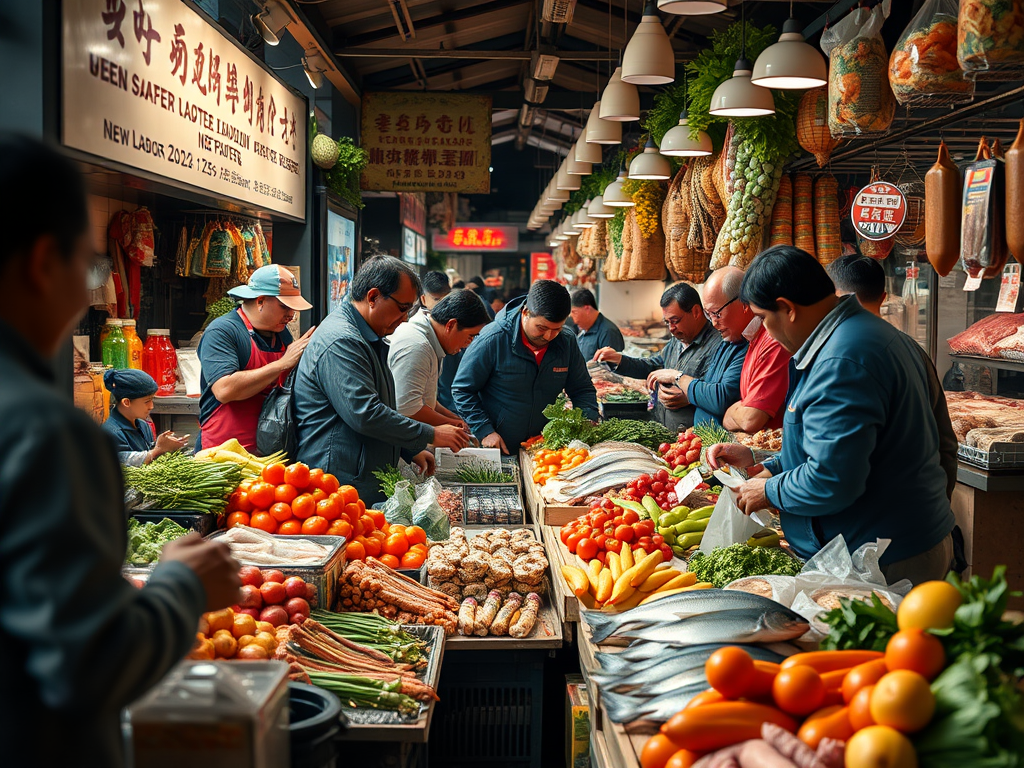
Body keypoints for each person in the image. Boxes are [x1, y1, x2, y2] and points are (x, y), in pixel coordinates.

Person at [0, 134, 240, 767]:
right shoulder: (42, 432)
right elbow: (89, 664)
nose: (87, 295)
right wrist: (180, 587)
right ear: (41, 262)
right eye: (83, 267)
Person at [710, 246, 955, 585]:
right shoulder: (860, 336)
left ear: (787, 309)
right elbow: (843, 448)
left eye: (764, 318)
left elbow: (833, 478)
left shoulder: (842, 360)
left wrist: (769, 491)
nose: (766, 331)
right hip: (896, 541)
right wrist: (766, 461)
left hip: (887, 556)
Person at [293, 256, 471, 502]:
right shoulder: (342, 340)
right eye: (401, 308)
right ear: (373, 297)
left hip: (358, 472)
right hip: (338, 480)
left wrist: (409, 449)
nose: (405, 318)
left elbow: (385, 405)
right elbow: (365, 413)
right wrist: (429, 434)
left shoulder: (368, 334)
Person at [829, 254, 958, 498]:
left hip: (877, 522)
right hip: (918, 512)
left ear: (833, 299)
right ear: (883, 298)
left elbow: (837, 459)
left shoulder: (840, 356)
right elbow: (946, 443)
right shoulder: (912, 350)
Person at [452, 280, 599, 454]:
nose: (549, 336)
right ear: (526, 312)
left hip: (545, 448)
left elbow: (582, 389)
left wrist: (587, 420)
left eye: (557, 329)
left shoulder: (566, 341)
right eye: (541, 328)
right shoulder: (494, 338)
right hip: (499, 447)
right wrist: (485, 431)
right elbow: (462, 389)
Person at [197, 264, 314, 452]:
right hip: (224, 455)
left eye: (293, 308)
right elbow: (224, 390)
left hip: (270, 453)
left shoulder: (281, 335)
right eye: (284, 306)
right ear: (260, 301)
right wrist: (282, 364)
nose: (291, 315)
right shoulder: (222, 331)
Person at [594, 283, 721, 432]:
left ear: (696, 312)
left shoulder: (718, 344)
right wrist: (619, 359)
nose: (671, 329)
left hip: (693, 438)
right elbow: (652, 366)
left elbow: (720, 394)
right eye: (667, 322)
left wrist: (690, 396)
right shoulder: (677, 340)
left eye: (675, 321)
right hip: (664, 428)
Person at [389, 289, 491, 429]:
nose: (470, 343)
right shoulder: (418, 347)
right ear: (451, 325)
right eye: (470, 336)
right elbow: (407, 408)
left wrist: (455, 419)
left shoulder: (433, 341)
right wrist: (451, 423)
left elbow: (426, 399)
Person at [102, 368, 188, 466]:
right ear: (126, 402)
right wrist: (157, 450)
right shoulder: (109, 433)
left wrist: (166, 446)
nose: (151, 406)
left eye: (152, 400)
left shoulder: (143, 425)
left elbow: (149, 452)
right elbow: (123, 464)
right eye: (147, 401)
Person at [571, 288, 624, 362]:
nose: (574, 320)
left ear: (587, 309)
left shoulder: (608, 332)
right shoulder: (584, 329)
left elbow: (611, 369)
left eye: (574, 312)